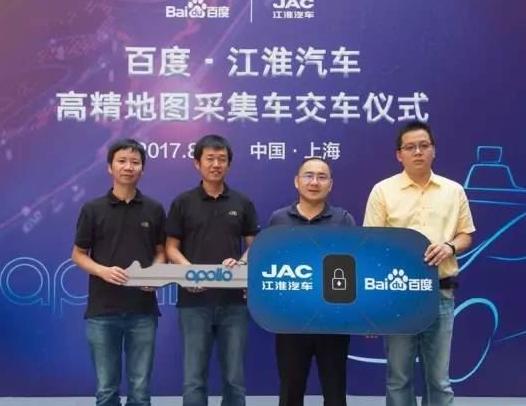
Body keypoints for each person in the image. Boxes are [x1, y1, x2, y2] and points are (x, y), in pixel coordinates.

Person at [363, 121, 476, 406]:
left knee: (439, 379)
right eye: (410, 147)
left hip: (440, 293)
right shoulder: (382, 191)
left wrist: (450, 246)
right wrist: (372, 303)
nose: (417, 152)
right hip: (397, 295)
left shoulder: (453, 190)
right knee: (399, 378)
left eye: (424, 146)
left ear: (433, 150)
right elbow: (371, 245)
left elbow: (466, 234)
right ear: (398, 155)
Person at [165, 134, 259, 406]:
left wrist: (241, 264)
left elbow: (254, 245)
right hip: (194, 303)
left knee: (234, 379)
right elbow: (171, 248)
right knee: (194, 379)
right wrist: (191, 272)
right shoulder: (183, 202)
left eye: (222, 159)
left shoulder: (242, 203)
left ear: (229, 164)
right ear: (197, 163)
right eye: (210, 158)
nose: (216, 164)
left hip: (234, 303)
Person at [71, 139, 166, 406]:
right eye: (122, 161)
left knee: (140, 391)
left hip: (143, 311)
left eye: (135, 162)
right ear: (109, 167)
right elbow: (78, 254)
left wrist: (155, 272)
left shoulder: (154, 209)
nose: (128, 167)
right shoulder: (93, 209)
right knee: (106, 390)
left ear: (142, 169)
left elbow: (161, 251)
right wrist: (102, 271)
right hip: (103, 311)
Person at [269, 157, 355, 406]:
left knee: (335, 393)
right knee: (290, 392)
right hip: (291, 321)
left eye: (321, 177)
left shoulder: (343, 220)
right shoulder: (279, 219)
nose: (314, 182)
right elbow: (270, 264)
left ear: (330, 184)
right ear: (297, 182)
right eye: (308, 176)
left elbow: (355, 268)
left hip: (333, 321)